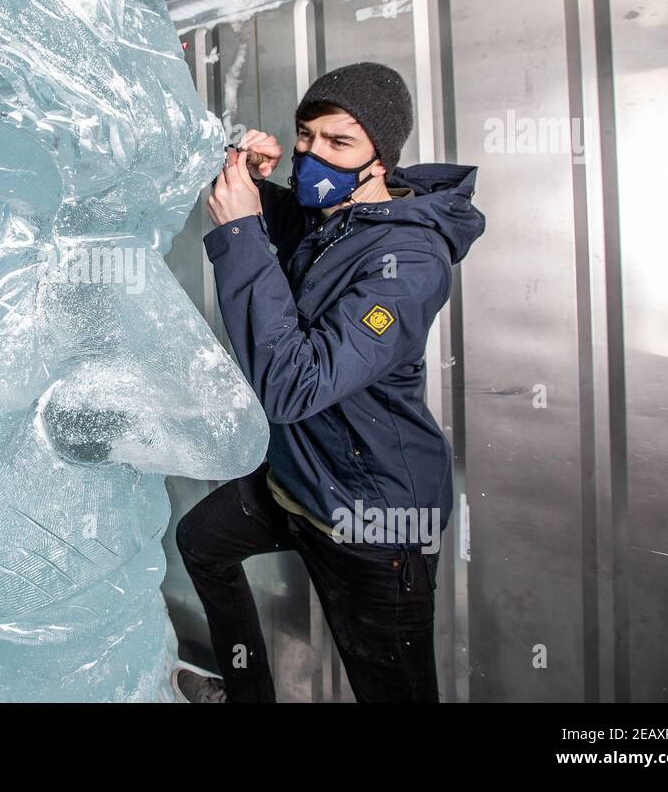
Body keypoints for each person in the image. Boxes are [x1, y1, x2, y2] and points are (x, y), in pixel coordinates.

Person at [172, 62, 486, 703]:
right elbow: (288, 228)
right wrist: (250, 181)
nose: (312, 154)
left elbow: (294, 387)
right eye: (306, 135)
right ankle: (248, 693)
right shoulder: (333, 213)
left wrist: (237, 229)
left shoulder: (410, 263)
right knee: (201, 543)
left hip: (370, 523)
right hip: (298, 483)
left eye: (339, 142)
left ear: (382, 158)